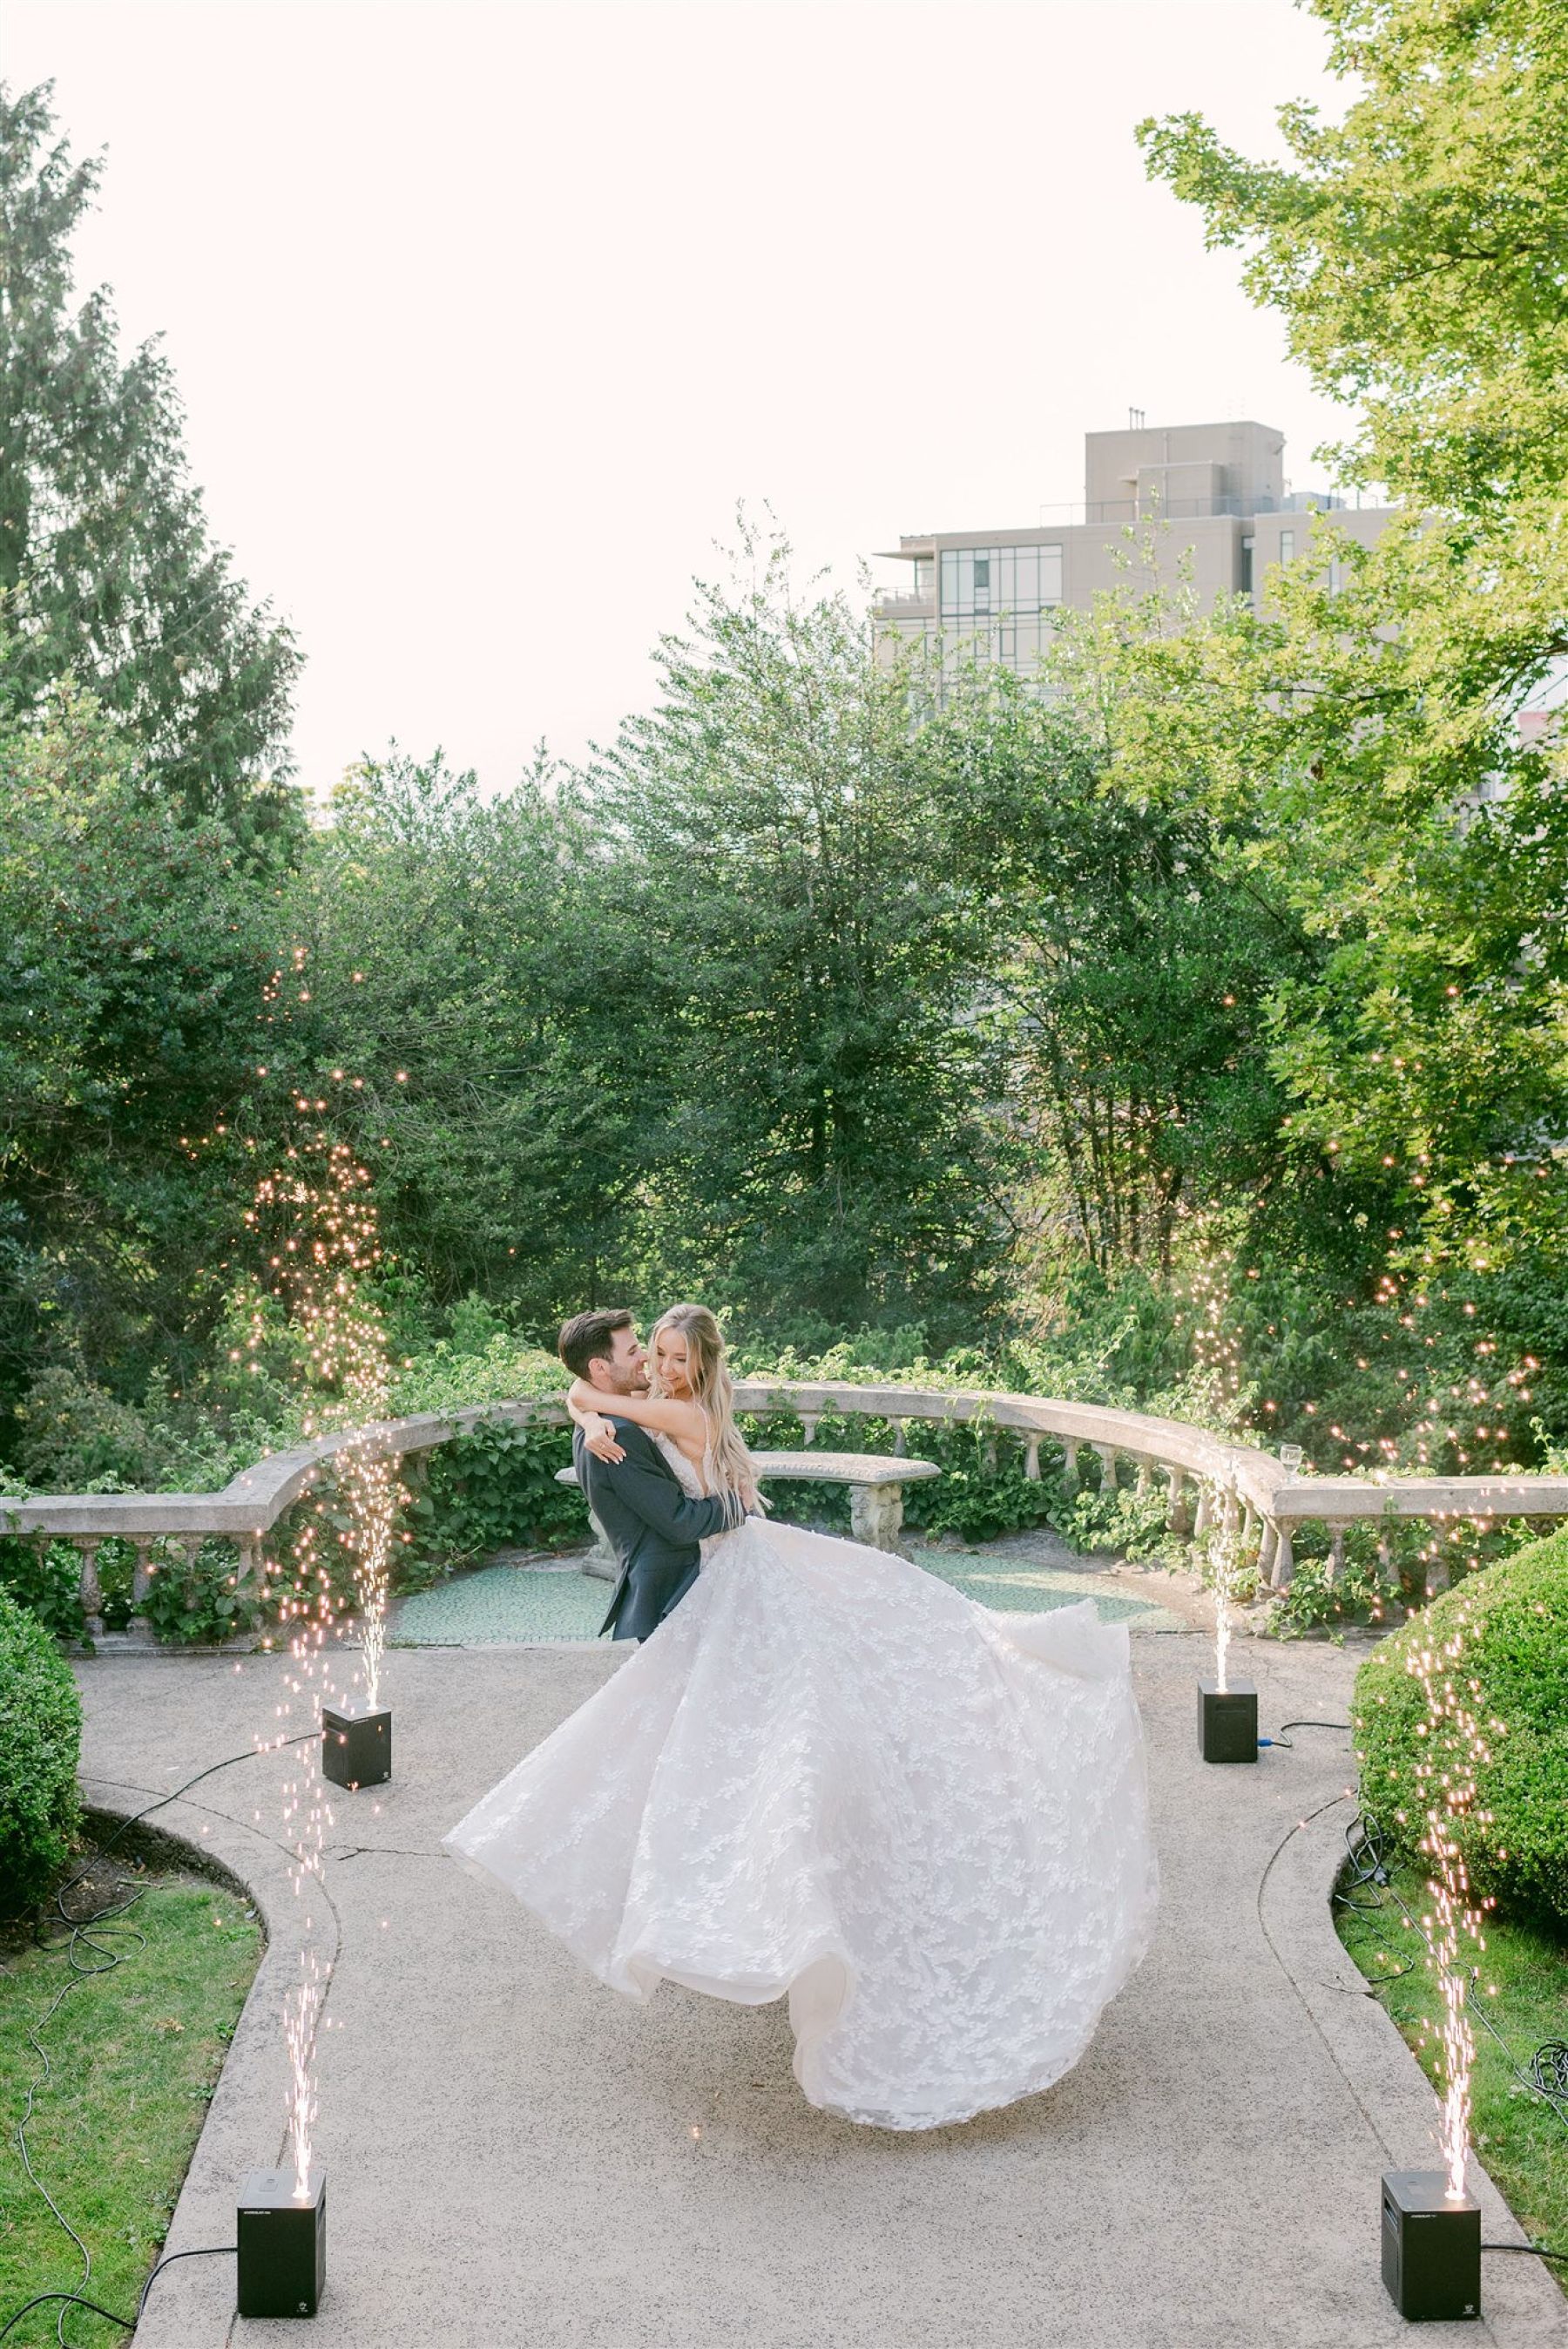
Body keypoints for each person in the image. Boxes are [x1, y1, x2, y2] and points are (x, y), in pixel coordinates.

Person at [443, 1303, 1158, 2131]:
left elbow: (661, 1458)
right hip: (704, 1583)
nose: (652, 1363)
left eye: (667, 1353)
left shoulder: (654, 1409)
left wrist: (604, 1414)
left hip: (733, 1577)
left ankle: (775, 1882)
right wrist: (592, 1411)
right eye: (641, 1352)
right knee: (741, 1735)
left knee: (784, 1729)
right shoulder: (637, 1412)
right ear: (605, 1366)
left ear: (694, 1361)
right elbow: (666, 1507)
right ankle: (736, 1876)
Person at [553, 1306, 736, 1641]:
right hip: (681, 1570)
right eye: (651, 1352)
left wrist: (741, 1507)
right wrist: (590, 1419)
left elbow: (581, 1393)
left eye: (680, 1358)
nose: (656, 1364)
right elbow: (578, 1393)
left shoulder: (677, 1412)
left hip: (709, 1557)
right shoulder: (629, 1419)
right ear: (598, 1367)